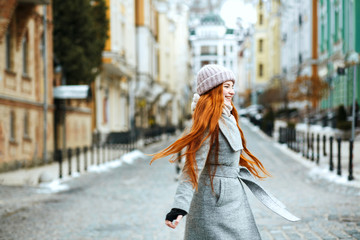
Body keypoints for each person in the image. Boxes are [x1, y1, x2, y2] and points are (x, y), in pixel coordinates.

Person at [150, 64, 300, 239]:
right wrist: (179, 207)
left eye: (232, 86)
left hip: (233, 196)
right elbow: (192, 166)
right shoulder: (207, 122)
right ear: (213, 90)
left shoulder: (227, 115)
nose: (232, 92)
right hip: (214, 200)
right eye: (226, 87)